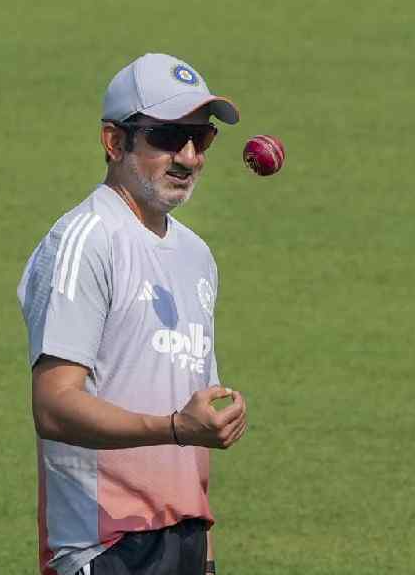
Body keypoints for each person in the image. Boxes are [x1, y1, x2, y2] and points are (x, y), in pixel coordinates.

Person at [17, 53, 248, 575]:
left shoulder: (196, 256)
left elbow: (196, 419)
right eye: (168, 137)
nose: (189, 156)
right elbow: (53, 407)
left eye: (201, 137)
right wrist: (173, 427)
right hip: (105, 548)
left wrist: (205, 553)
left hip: (185, 541)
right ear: (114, 141)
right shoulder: (84, 241)